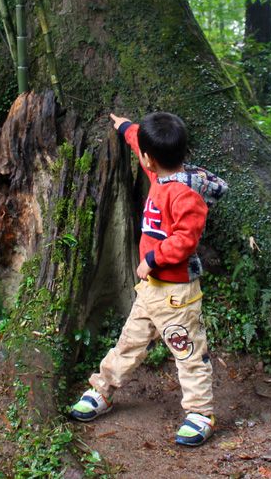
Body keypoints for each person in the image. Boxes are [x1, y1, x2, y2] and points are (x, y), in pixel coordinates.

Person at [69, 111, 227, 446]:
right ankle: (102, 390)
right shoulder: (160, 174)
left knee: (187, 351)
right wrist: (126, 127)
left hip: (177, 295)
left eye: (143, 153)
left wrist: (152, 260)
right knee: (129, 341)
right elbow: (142, 139)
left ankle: (200, 413)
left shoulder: (186, 194)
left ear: (149, 159)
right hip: (150, 292)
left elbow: (186, 240)